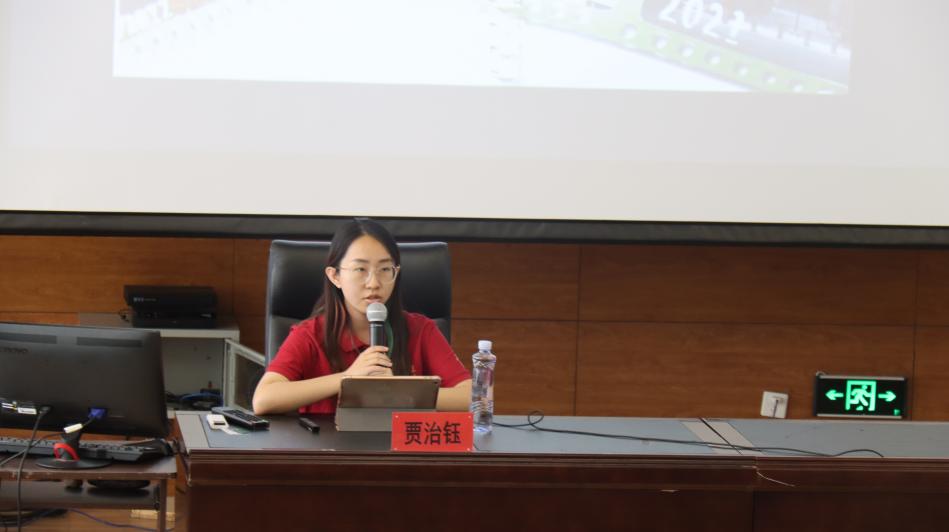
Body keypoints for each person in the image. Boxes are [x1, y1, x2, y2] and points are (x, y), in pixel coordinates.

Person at [252, 219, 472, 415]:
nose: (374, 283)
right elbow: (263, 399)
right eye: (360, 270)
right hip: (329, 446)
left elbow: (474, 397)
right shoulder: (310, 334)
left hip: (398, 446)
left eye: (385, 269)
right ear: (335, 276)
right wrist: (348, 378)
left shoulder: (419, 329)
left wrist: (401, 391)